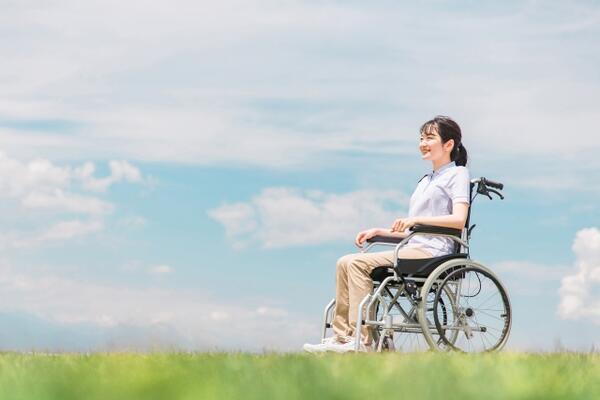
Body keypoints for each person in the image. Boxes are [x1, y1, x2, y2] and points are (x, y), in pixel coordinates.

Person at [303, 115, 471, 353]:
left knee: (358, 263)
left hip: (434, 251)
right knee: (344, 261)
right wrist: (380, 232)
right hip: (415, 246)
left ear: (449, 144)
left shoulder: (458, 174)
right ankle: (342, 336)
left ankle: (362, 338)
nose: (423, 143)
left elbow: (458, 221)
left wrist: (415, 220)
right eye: (421, 138)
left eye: (430, 138)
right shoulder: (426, 180)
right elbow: (415, 231)